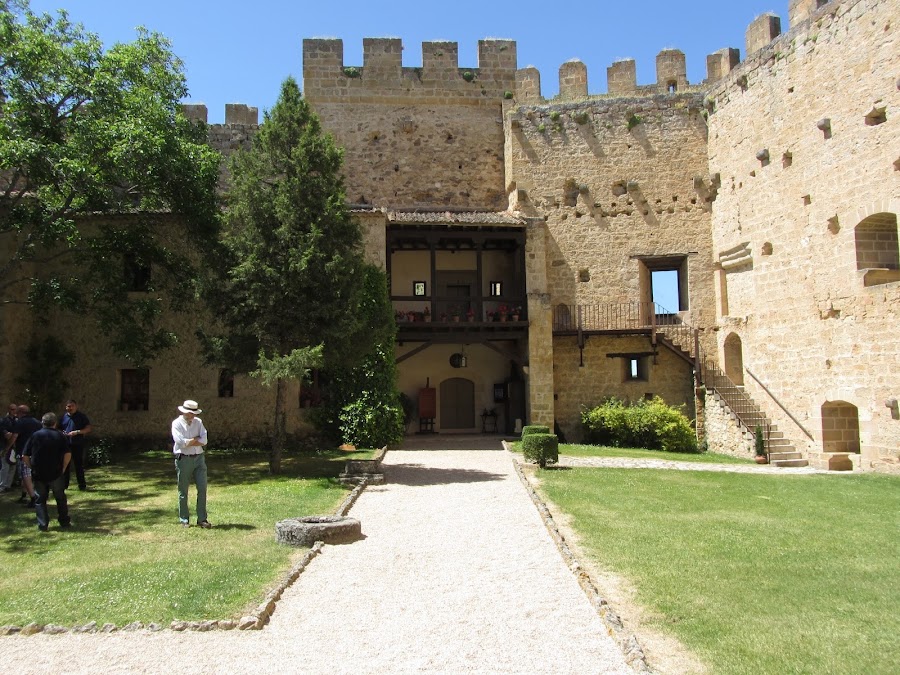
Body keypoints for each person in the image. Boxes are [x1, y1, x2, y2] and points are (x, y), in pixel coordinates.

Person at [22, 412, 71, 532]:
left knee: (40, 500)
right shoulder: (60, 436)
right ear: (55, 423)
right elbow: (68, 454)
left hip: (39, 473)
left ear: (42, 423)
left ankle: (43, 524)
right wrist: (63, 468)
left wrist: (31, 466)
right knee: (60, 497)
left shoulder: (35, 435)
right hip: (56, 472)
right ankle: (64, 521)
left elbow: (24, 455)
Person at [171, 399, 211, 528]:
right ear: (184, 412)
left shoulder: (198, 422)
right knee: (183, 490)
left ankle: (202, 519)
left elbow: (204, 440)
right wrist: (196, 440)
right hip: (184, 459)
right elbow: (181, 442)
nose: (193, 416)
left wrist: (191, 441)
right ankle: (184, 520)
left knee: (202, 488)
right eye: (191, 413)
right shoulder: (176, 424)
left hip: (199, 458)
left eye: (194, 413)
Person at [12, 405, 41, 507]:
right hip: (35, 452)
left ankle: (33, 498)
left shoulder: (20, 422)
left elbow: (14, 436)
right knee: (26, 474)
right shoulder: (37, 422)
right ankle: (24, 495)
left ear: (20, 412)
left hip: (23, 452)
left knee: (25, 475)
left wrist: (8, 448)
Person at [60, 399, 92, 490]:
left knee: (79, 465)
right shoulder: (63, 417)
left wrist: (77, 432)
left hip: (78, 444)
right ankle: (65, 485)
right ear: (66, 407)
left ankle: (82, 486)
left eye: (72, 406)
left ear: (76, 406)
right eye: (68, 406)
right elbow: (57, 428)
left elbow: (88, 428)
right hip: (66, 444)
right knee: (65, 465)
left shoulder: (81, 416)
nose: (70, 408)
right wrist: (62, 433)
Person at [0, 404, 18, 492]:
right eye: (12, 409)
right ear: (9, 410)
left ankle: (8, 485)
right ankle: (2, 485)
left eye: (15, 409)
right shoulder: (3, 420)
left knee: (13, 466)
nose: (14, 411)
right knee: (5, 465)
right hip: (4, 445)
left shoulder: (17, 420)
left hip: (14, 447)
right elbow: (5, 434)